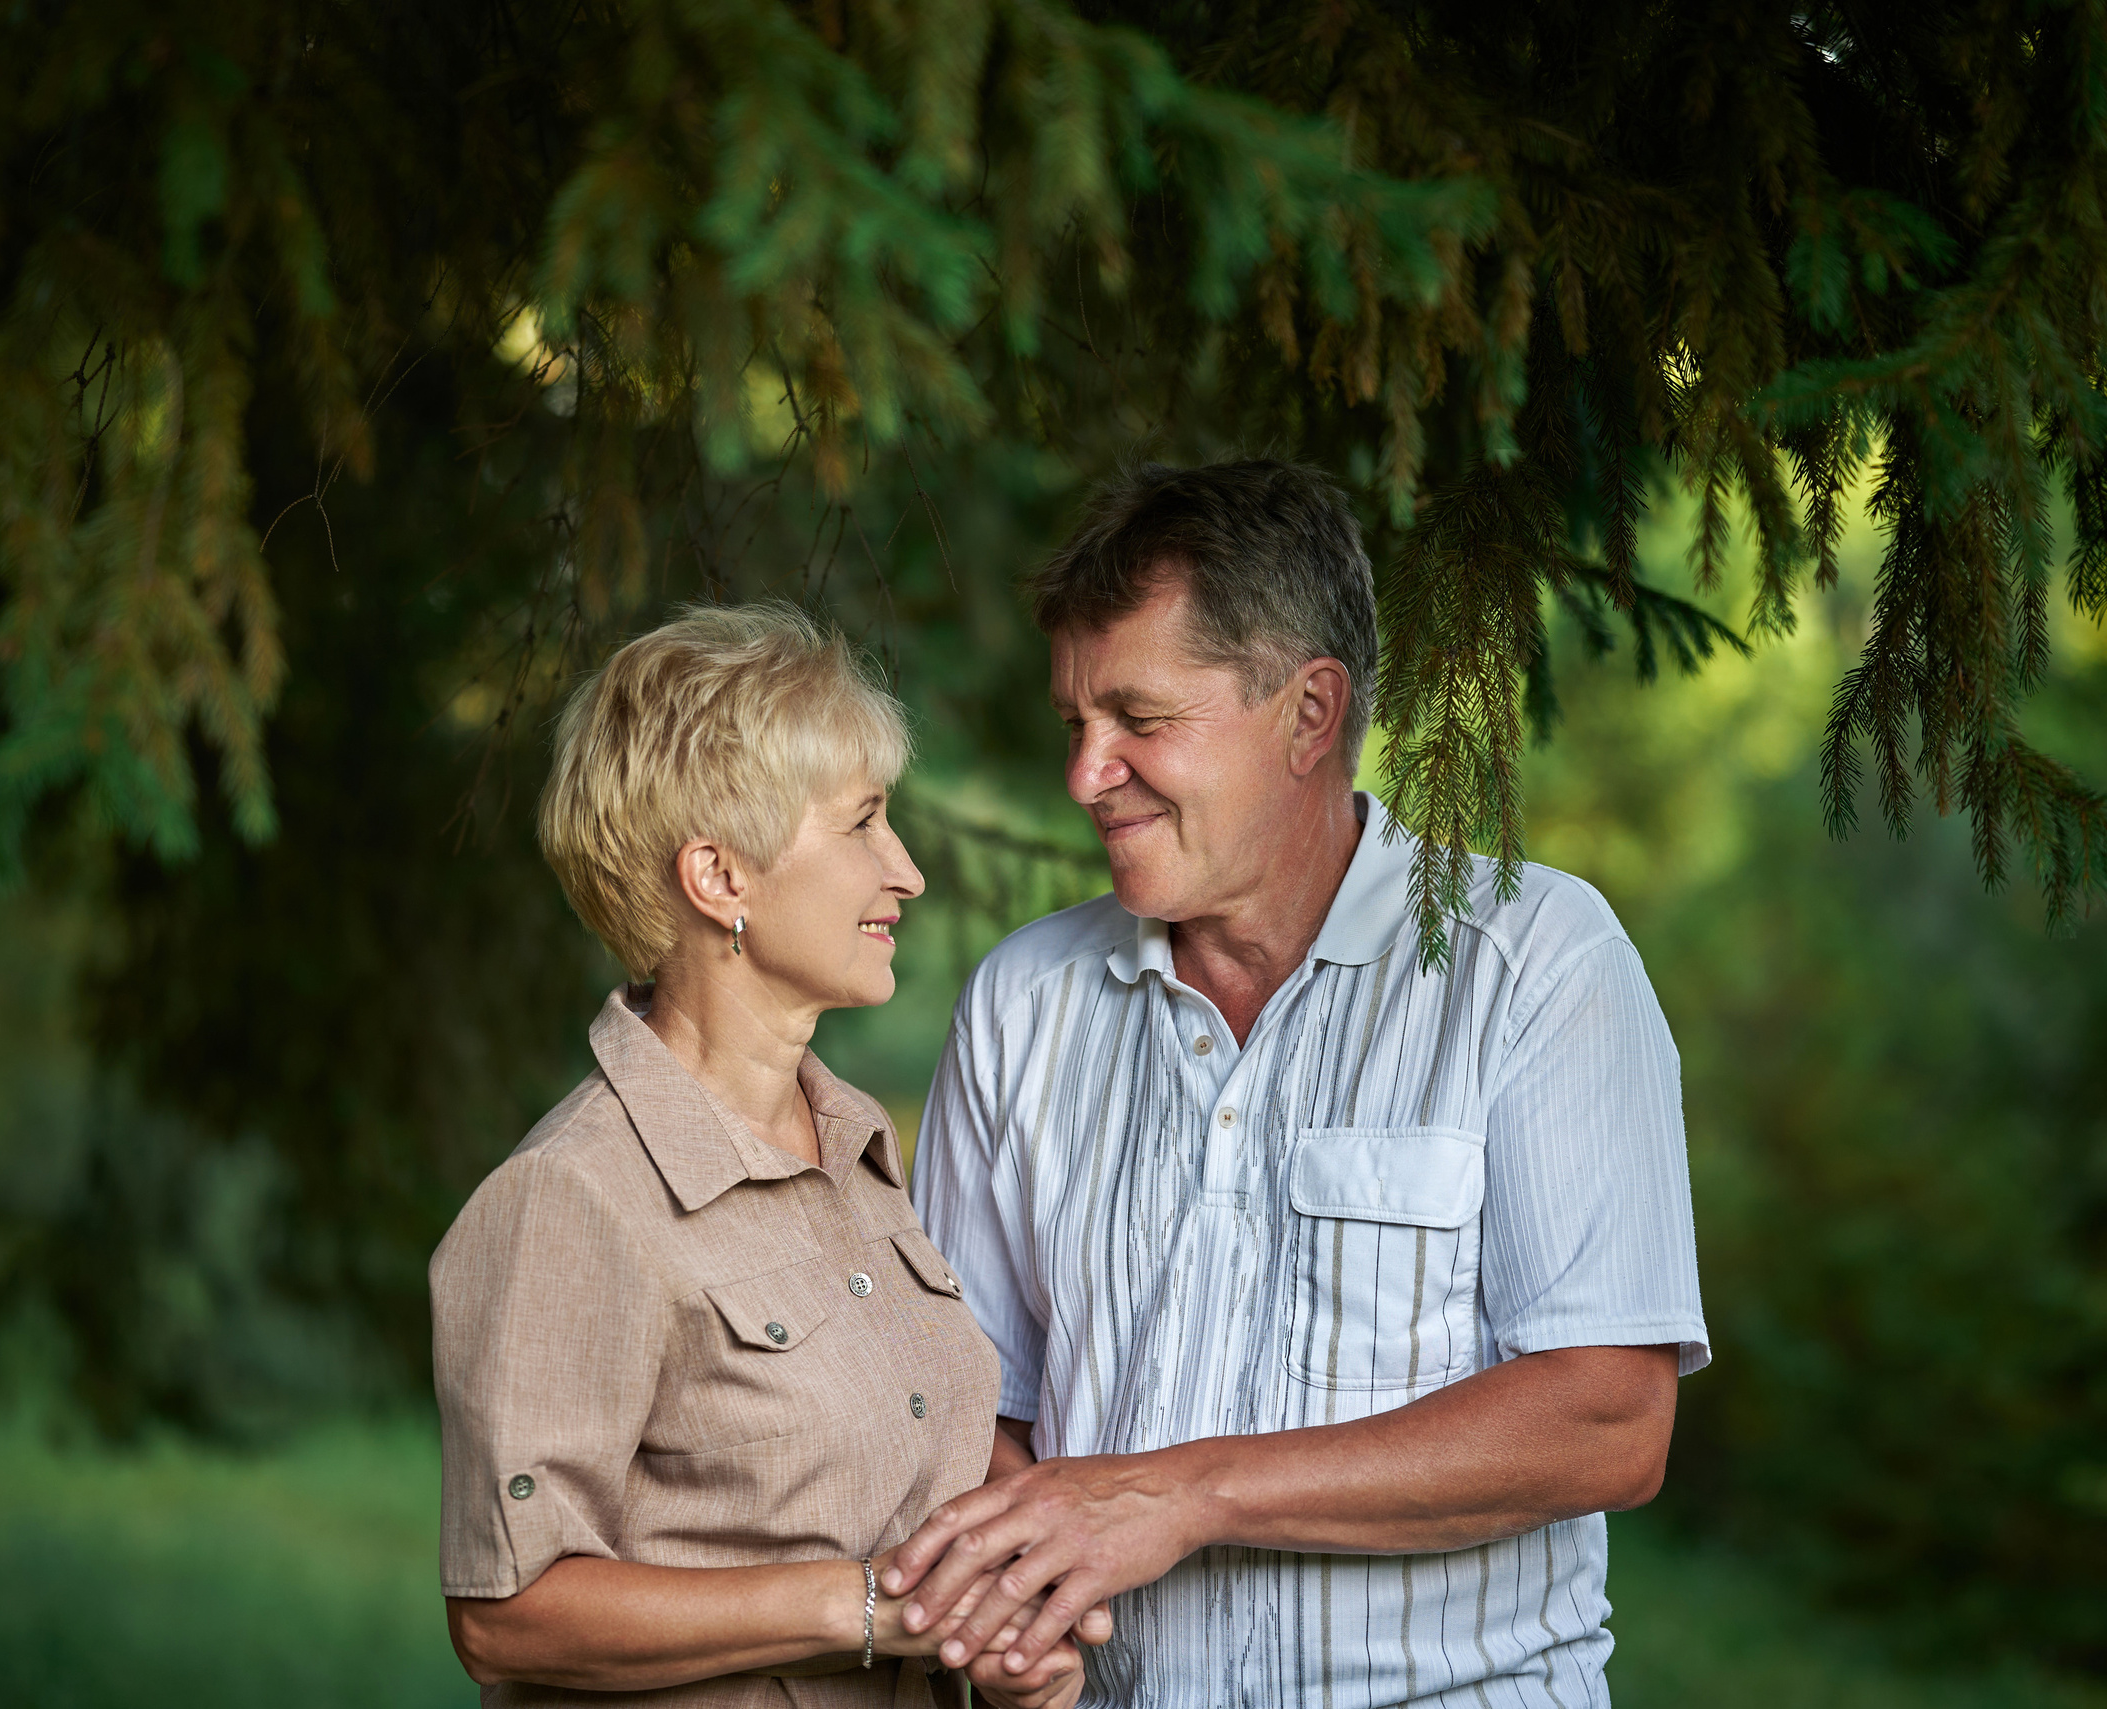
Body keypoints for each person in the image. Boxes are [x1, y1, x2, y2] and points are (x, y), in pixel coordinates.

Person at [886, 461, 1710, 1708]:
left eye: (1139, 719)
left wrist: (1189, 1491)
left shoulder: (1537, 964)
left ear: (1308, 712)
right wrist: (1016, 1595)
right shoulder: (1021, 1000)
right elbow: (958, 1396)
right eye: (1075, 725)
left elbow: (1606, 1418)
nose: (1085, 773)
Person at [433, 603, 1108, 1708]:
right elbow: (507, 1616)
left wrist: (1006, 1623)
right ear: (720, 878)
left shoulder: (860, 1156)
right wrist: (862, 1606)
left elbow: (909, 1464)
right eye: (861, 824)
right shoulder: (573, 1195)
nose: (906, 871)